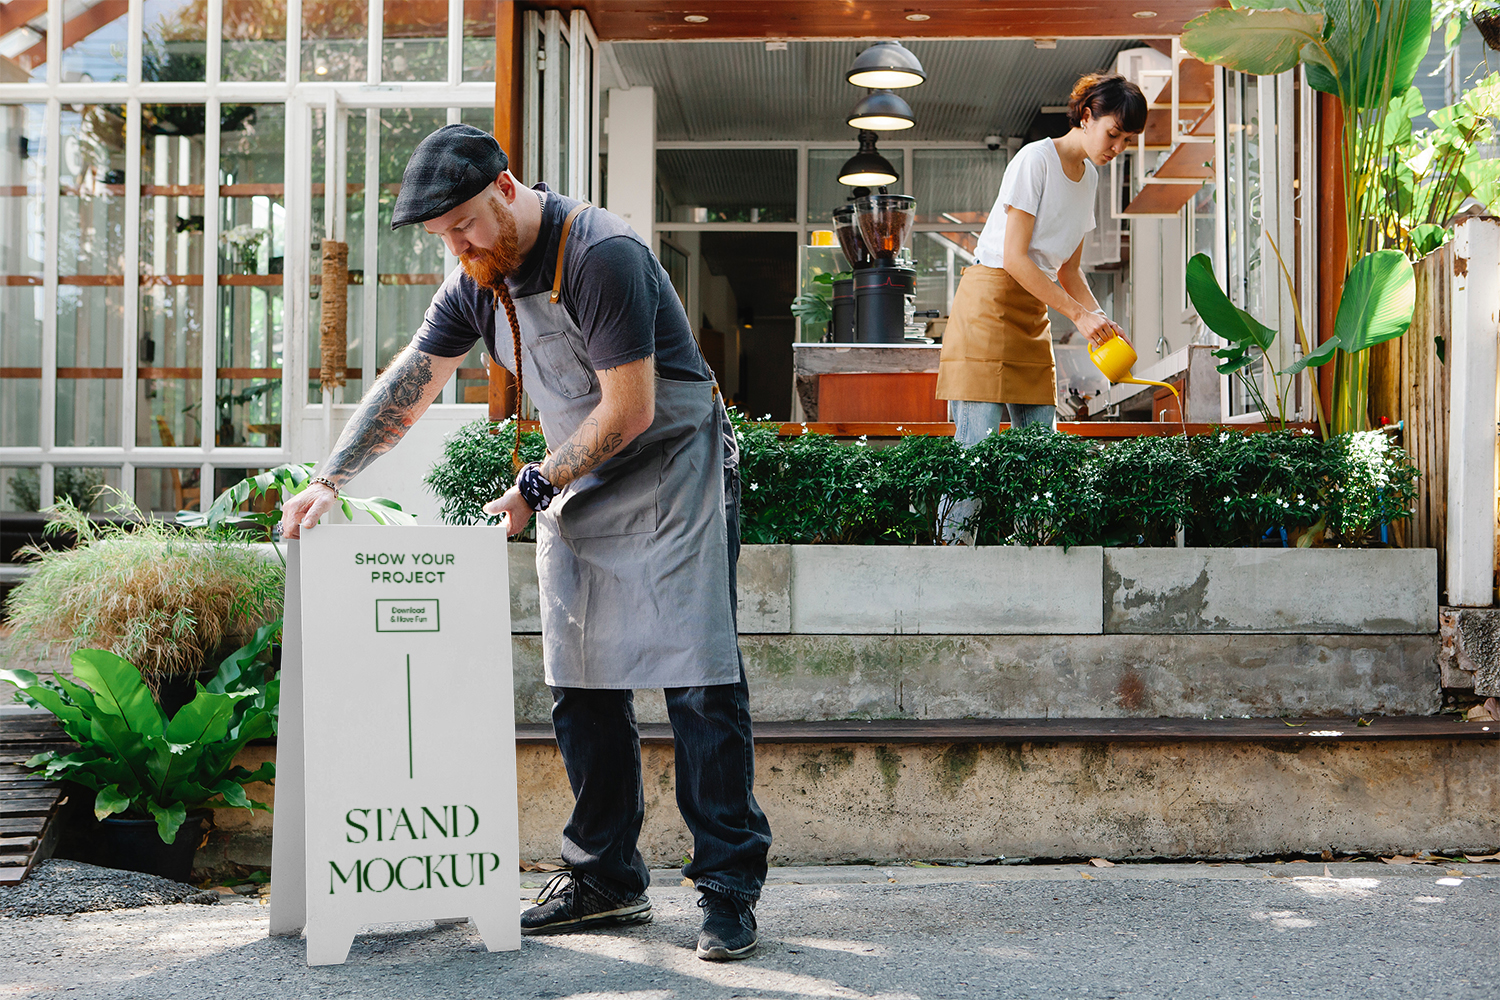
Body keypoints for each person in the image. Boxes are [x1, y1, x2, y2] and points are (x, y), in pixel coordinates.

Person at [279, 124, 772, 962]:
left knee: (697, 681)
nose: (458, 246)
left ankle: (727, 889)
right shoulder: (480, 275)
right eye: (442, 237)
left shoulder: (601, 252)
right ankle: (606, 878)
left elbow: (631, 411)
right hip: (579, 475)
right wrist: (332, 477)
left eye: (464, 225)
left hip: (670, 463)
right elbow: (413, 379)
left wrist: (536, 484)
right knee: (579, 682)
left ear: (505, 190)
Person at [934, 72, 1145, 540]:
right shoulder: (1036, 160)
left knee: (1040, 462)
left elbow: (1068, 271)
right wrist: (1077, 314)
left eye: (1126, 141)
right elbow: (1014, 257)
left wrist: (1100, 317)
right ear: (1087, 117)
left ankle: (1031, 566)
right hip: (988, 304)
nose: (1117, 149)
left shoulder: (1088, 178)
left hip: (1033, 312)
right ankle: (949, 564)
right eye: (1114, 134)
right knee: (976, 455)